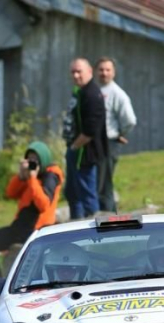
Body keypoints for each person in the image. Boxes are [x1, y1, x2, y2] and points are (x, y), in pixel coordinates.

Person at [0, 141, 64, 280]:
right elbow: (10, 193)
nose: (32, 164)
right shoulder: (32, 177)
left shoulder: (51, 176)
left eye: (35, 160)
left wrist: (32, 179)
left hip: (35, 229)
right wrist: (21, 176)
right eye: (29, 160)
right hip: (21, 227)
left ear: (44, 160)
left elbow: (43, 205)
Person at [62, 58, 108, 220]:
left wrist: (74, 146)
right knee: (72, 192)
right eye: (73, 72)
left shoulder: (92, 94)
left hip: (85, 152)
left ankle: (92, 227)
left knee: (86, 192)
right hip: (75, 148)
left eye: (79, 71)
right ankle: (76, 223)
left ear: (89, 72)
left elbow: (90, 130)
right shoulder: (80, 91)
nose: (75, 75)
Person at [96, 57, 137, 213]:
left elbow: (130, 120)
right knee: (98, 183)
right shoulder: (96, 89)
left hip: (109, 142)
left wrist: (119, 134)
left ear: (114, 72)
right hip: (96, 143)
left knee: (105, 183)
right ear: (95, 71)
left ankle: (110, 217)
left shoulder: (117, 93)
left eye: (108, 70)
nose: (104, 73)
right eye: (101, 69)